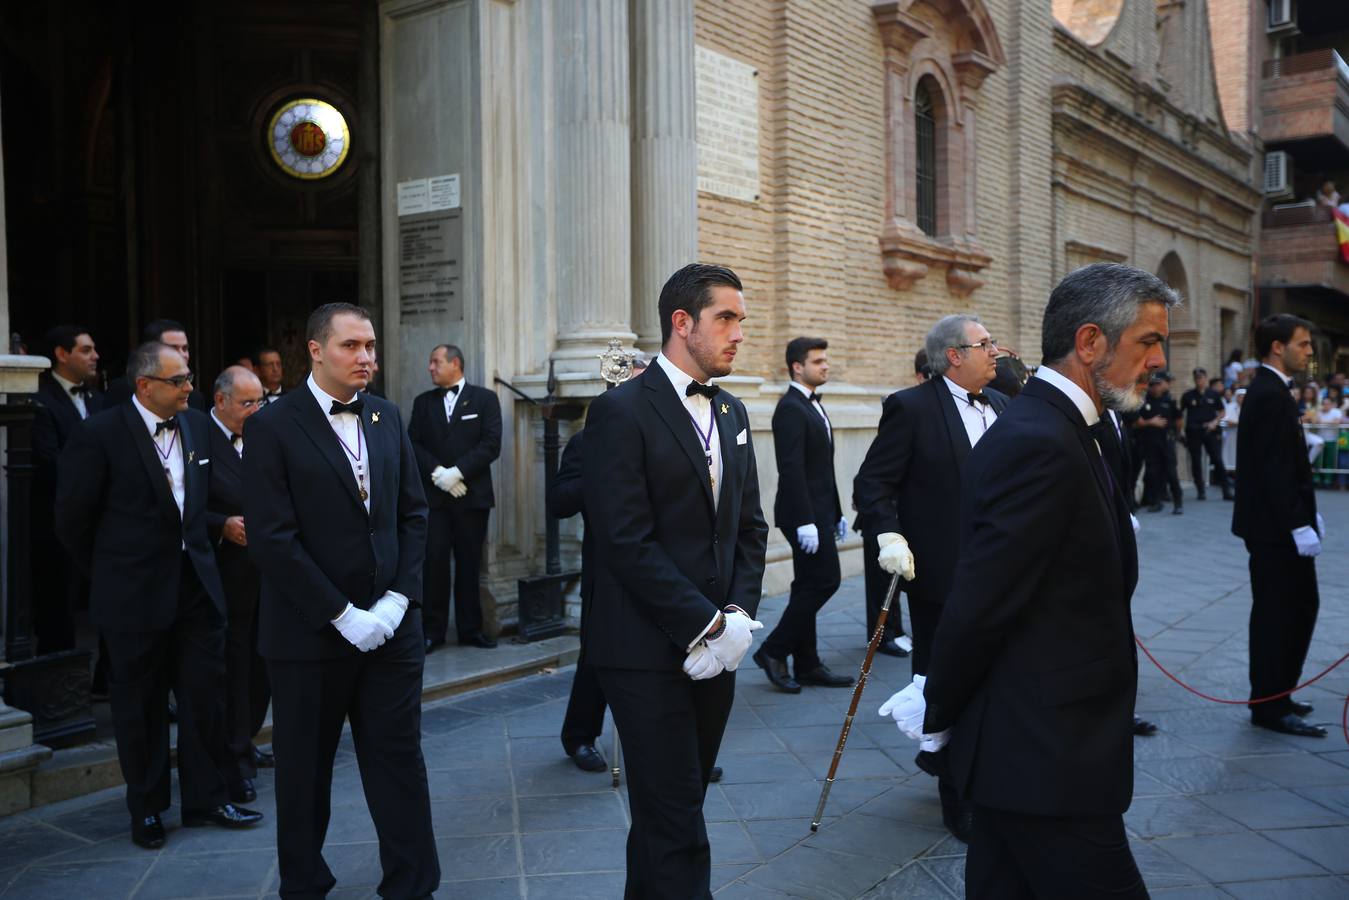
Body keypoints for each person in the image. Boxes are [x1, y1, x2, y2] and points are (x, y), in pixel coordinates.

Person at [887, 262, 1173, 898]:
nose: (1159, 359)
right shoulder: (1039, 438)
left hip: (1050, 745)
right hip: (1045, 752)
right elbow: (982, 600)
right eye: (1149, 341)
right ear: (1091, 342)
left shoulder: (1083, 428)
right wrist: (940, 709)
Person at [582, 263, 768, 898]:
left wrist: (738, 616)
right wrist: (705, 623)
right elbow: (624, 540)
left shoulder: (734, 410)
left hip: (721, 646)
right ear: (681, 323)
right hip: (643, 649)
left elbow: (749, 527)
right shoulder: (619, 411)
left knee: (676, 805)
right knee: (675, 816)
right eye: (726, 318)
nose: (738, 333)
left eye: (741, 319)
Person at [243, 303, 439, 896]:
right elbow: (274, 539)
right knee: (304, 772)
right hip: (308, 635)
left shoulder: (385, 415)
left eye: (371, 346)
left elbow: (413, 514)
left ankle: (412, 883)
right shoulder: (272, 426)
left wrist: (397, 602)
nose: (366, 358)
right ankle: (303, 884)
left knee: (398, 761)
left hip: (391, 631)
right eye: (352, 346)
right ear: (315, 349)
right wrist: (341, 614)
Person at [56, 341, 262, 850]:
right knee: (140, 707)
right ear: (145, 385)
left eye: (190, 377)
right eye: (180, 380)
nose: (191, 387)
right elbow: (72, 521)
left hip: (196, 589)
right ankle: (146, 808)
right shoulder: (98, 434)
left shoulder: (194, 427)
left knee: (204, 700)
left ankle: (205, 799)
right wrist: (112, 572)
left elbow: (195, 506)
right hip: (133, 597)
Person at [854, 314, 1009, 842]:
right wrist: (888, 536)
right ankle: (956, 794)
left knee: (999, 682)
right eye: (984, 344)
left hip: (1005, 575)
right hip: (944, 577)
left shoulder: (1006, 407)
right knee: (946, 683)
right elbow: (872, 484)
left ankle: (991, 776)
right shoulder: (912, 408)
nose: (996, 352)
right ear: (953, 356)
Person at [550, 354, 646, 773]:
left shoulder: (663, 434)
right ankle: (580, 736)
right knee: (598, 656)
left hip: (658, 561)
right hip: (606, 567)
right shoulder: (586, 443)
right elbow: (559, 502)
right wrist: (598, 473)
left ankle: (674, 750)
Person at [1233, 315, 1326, 738]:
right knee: (1279, 614)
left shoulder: (1274, 390)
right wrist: (1297, 524)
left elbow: (1285, 462)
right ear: (1277, 346)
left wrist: (1308, 514)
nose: (1309, 353)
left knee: (1298, 608)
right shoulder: (1269, 392)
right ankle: (1269, 704)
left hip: (1281, 525)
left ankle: (1280, 693)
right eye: (1303, 344)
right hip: (1274, 531)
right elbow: (1272, 470)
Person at [754, 337, 852, 693]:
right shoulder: (791, 408)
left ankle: (807, 664)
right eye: (818, 361)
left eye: (825, 360)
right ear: (797, 366)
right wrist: (807, 520)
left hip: (821, 512)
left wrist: (837, 512)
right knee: (825, 582)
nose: (825, 366)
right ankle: (772, 650)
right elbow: (791, 469)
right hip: (802, 515)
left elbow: (823, 468)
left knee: (807, 586)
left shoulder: (813, 405)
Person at [408, 343, 504, 651]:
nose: (430, 368)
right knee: (434, 564)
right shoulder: (423, 403)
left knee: (469, 563)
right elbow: (413, 443)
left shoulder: (485, 399)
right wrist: (440, 475)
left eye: (436, 362)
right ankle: (432, 631)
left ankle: (470, 629)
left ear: (455, 364)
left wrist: (458, 473)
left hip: (471, 497)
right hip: (435, 499)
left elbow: (491, 444)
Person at [205, 366, 271, 803]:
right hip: (222, 578)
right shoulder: (196, 436)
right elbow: (178, 504)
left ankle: (247, 739)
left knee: (262, 667)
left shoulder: (265, 435)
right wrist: (220, 525)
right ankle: (233, 761)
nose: (255, 410)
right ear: (221, 401)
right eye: (247, 403)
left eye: (260, 402)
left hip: (268, 575)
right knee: (232, 671)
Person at [30, 325, 103, 654]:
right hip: (58, 524)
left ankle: (107, 679)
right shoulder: (39, 400)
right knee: (59, 605)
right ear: (61, 354)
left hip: (101, 524)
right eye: (86, 350)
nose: (95, 356)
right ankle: (57, 692)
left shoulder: (98, 400)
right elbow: (50, 462)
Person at [853, 351, 928, 658]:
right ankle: (884, 635)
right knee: (882, 585)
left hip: (898, 513)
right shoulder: (906, 408)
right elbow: (875, 474)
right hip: (883, 515)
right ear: (920, 376)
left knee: (895, 581)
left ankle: (893, 631)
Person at [105, 320, 209, 411]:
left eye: (185, 348)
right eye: (172, 348)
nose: (182, 355)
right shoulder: (122, 390)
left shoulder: (195, 398)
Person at [1181, 368, 1233, 500]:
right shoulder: (1188, 396)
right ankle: (1200, 490)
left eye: (1202, 377)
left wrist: (1214, 422)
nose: (1200, 380)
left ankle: (1226, 490)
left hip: (1210, 430)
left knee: (1217, 460)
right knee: (1196, 461)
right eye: (1197, 378)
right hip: (1194, 431)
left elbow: (1222, 411)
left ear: (1206, 378)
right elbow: (1180, 414)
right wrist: (1181, 431)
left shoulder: (1213, 394)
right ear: (1194, 379)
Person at [1136, 371, 1183, 514]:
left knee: (1171, 472)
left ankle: (1178, 503)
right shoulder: (1143, 402)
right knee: (1152, 472)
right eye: (1152, 385)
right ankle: (1156, 502)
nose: (1155, 388)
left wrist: (1176, 434)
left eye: (1157, 384)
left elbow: (1179, 420)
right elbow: (1137, 422)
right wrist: (1151, 423)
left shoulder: (1170, 400)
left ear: (1162, 385)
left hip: (1166, 440)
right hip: (1150, 441)